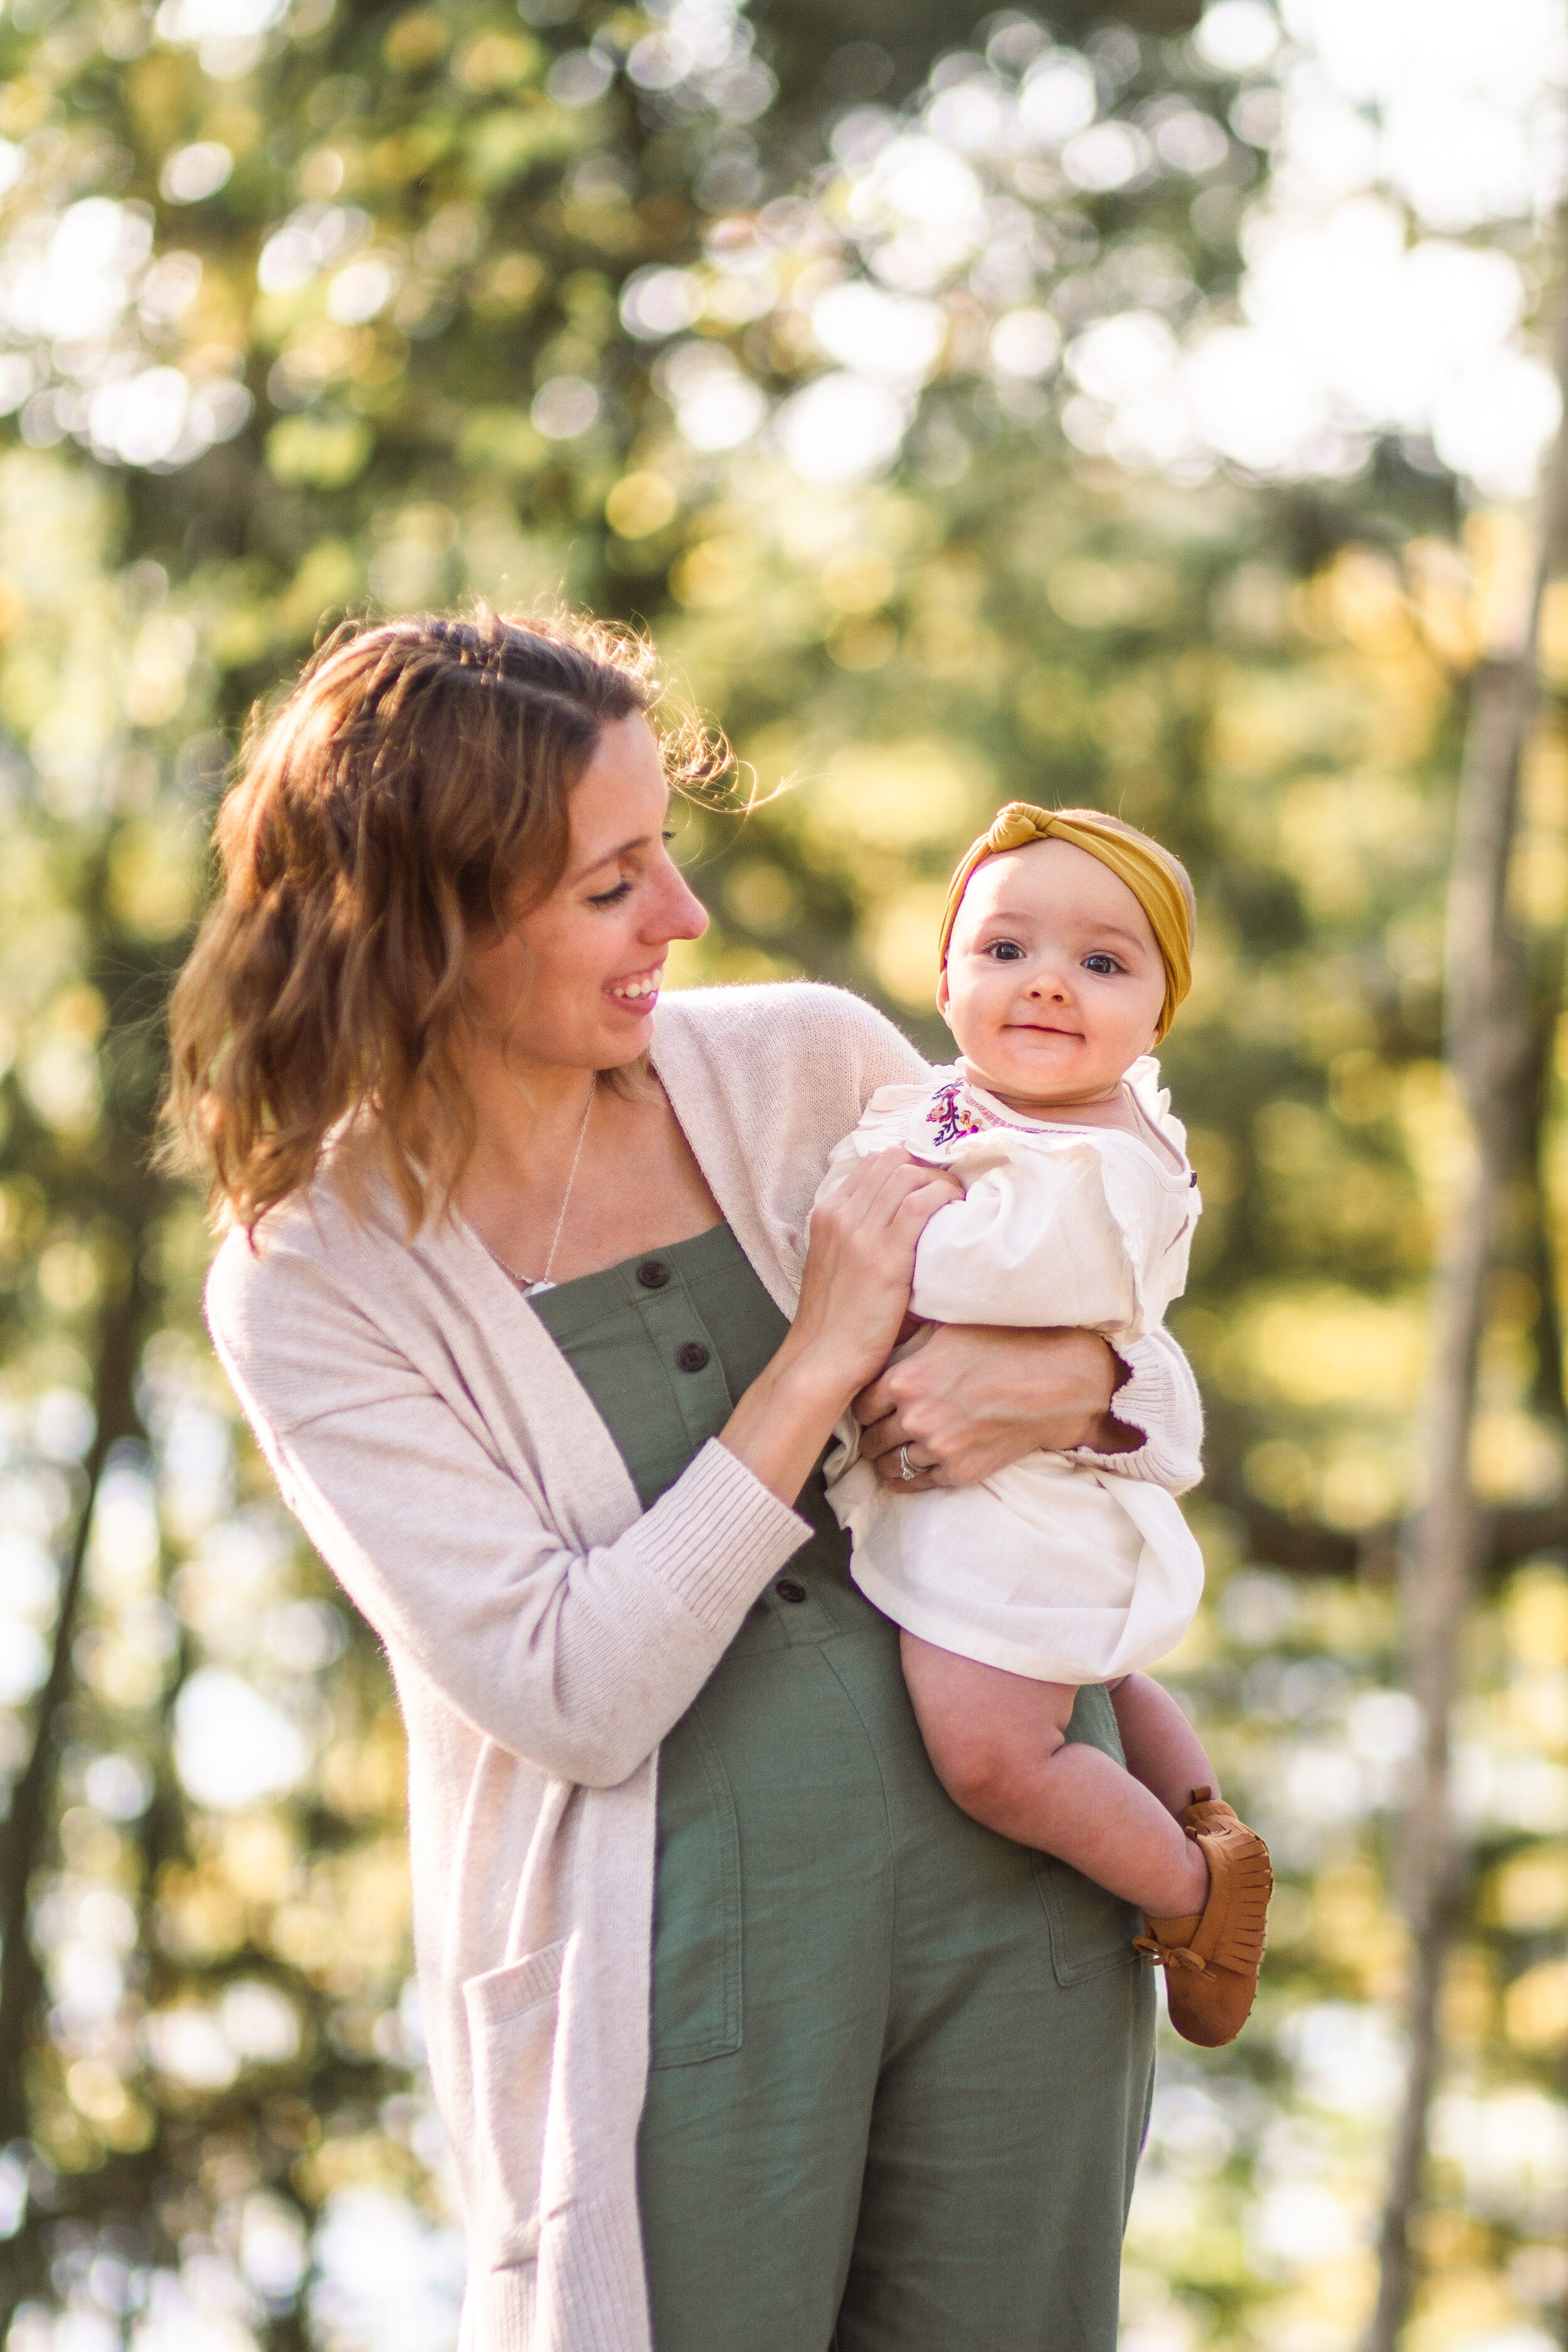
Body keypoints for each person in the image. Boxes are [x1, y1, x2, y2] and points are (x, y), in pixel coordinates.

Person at [166, 608, 1210, 2352]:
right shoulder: (314, 1276)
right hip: (672, 1984)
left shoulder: (806, 1061)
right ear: (431, 925)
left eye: (667, 847)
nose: (684, 914)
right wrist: (818, 1357)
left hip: (1025, 1897)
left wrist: (1076, 1373)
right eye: (610, 881)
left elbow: (1143, 1366)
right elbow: (571, 1690)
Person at [820, 803, 1271, 2047]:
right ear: (944, 975)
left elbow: (980, 1276)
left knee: (992, 1754)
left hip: (1015, 1503)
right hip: (1014, 1489)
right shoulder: (968, 1106)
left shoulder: (1114, 1165)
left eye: (1103, 963)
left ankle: (1192, 1894)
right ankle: (1200, 1814)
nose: (1048, 987)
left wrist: (879, 1211)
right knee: (1100, 1676)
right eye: (1005, 950)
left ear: (1154, 1017)